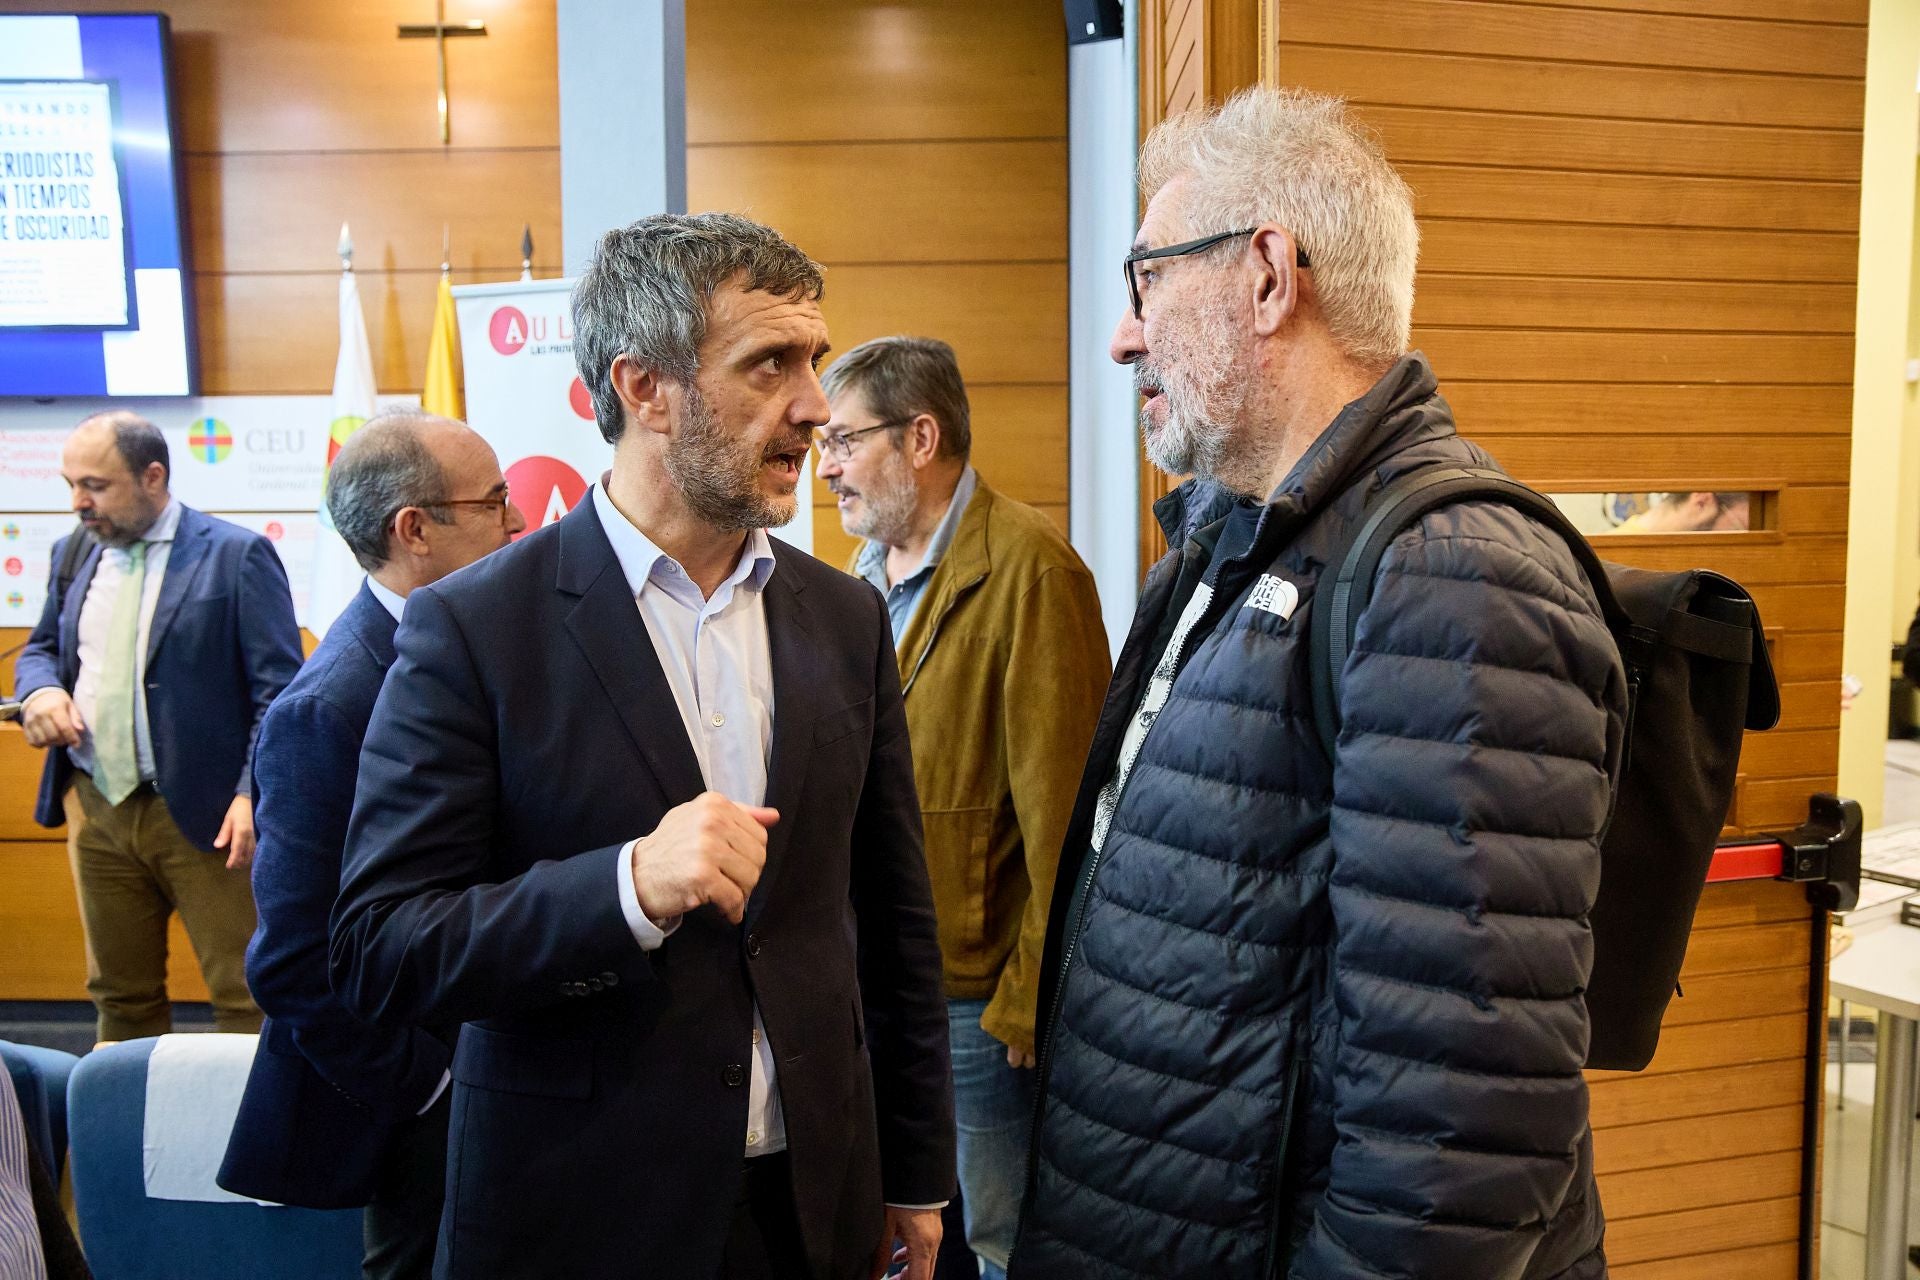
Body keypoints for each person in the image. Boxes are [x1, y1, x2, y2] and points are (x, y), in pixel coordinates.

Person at [1010, 88, 1628, 1279]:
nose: (1121, 336)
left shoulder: (1456, 583)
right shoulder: (1221, 547)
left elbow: (1460, 1134)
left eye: (1146, 280)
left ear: (1265, 276)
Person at [330, 212, 956, 1280]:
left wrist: (917, 1170)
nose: (815, 402)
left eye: (813, 357)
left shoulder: (843, 616)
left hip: (813, 1207)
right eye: (770, 363)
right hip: (579, 1212)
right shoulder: (477, 629)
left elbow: (891, 922)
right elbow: (382, 944)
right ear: (643, 386)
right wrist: (623, 885)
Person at [817, 336, 1108, 1280]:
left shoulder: (1034, 573)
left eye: (845, 442)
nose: (827, 469)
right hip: (878, 985)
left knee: (995, 1242)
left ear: (921, 438)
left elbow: (1068, 818)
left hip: (981, 1008)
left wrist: (1026, 1005)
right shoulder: (857, 579)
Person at [218, 412, 525, 1278]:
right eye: (495, 501)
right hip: (425, 1097)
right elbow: (292, 962)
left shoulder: (482, 644)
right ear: (414, 530)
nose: (518, 521)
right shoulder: (328, 706)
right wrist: (432, 1088)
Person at [14, 411, 302, 1042]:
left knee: (245, 998)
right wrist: (38, 689)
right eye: (70, 484)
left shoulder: (235, 555)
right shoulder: (75, 552)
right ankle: (125, 1137)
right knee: (119, 997)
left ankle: (249, 1139)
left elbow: (280, 693)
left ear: (153, 476)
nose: (78, 503)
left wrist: (255, 792)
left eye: (95, 485)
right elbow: (39, 648)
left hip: (208, 816)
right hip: (98, 806)